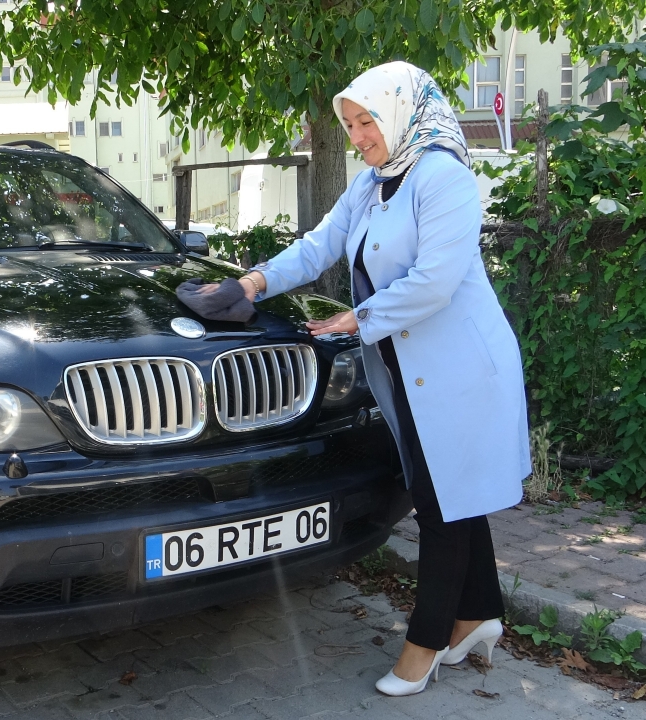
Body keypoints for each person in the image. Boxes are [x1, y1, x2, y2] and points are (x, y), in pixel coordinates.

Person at [234, 61, 531, 696]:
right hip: (411, 366)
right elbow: (320, 245)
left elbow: (435, 282)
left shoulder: (443, 176)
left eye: (367, 121)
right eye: (349, 124)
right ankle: (478, 613)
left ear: (399, 113)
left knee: (438, 504)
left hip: (462, 369)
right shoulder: (374, 182)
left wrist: (356, 318)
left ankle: (422, 645)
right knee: (451, 490)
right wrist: (252, 283)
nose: (360, 136)